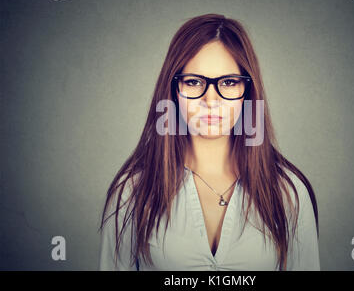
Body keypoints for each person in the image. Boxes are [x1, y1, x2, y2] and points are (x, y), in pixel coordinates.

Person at [98, 14, 320, 271]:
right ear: (173, 90)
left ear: (247, 92)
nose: (211, 100)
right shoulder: (132, 193)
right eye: (193, 82)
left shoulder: (288, 193)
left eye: (228, 82)